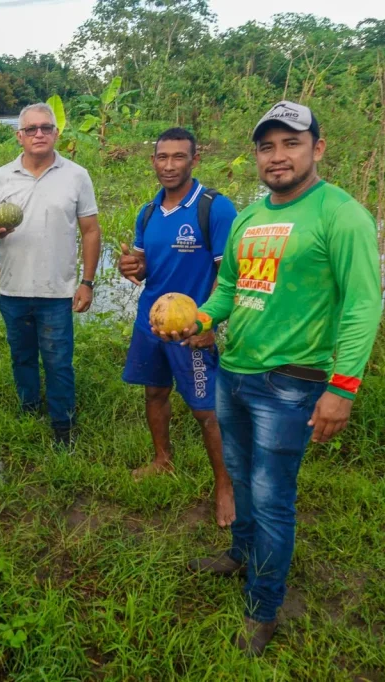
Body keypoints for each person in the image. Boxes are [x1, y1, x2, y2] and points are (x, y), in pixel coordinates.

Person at [158, 101, 382, 655]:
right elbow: (231, 288)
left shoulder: (340, 214)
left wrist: (342, 388)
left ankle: (263, 607)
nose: (278, 156)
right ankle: (239, 554)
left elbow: (362, 306)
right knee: (238, 473)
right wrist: (202, 318)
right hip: (235, 373)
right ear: (257, 155)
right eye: (267, 146)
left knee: (273, 495)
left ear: (318, 149)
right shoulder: (252, 218)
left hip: (294, 382)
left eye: (291, 144)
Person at [118, 127, 238, 527]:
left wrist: (211, 325)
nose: (169, 165)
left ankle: (225, 485)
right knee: (154, 393)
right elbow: (143, 264)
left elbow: (230, 277)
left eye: (178, 157)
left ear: (194, 159)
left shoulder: (215, 209)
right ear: (153, 161)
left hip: (192, 329)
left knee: (206, 410)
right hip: (151, 321)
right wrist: (130, 267)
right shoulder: (148, 211)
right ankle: (162, 460)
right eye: (162, 157)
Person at [0, 103, 102, 446]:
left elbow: (91, 231)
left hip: (58, 291)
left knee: (59, 362)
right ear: (20, 136)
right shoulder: (0, 177)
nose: (39, 134)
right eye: (31, 129)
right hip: (14, 289)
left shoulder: (76, 175)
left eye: (46, 127)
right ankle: (29, 410)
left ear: (56, 133)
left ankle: (63, 425)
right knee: (22, 357)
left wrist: (86, 283)